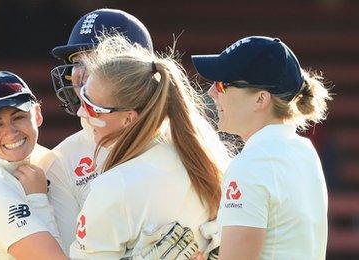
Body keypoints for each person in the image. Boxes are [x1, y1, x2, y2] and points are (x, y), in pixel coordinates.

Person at [66, 35, 229, 259]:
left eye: (92, 107)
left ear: (129, 118)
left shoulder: (113, 186)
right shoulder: (207, 151)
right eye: (82, 98)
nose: (80, 112)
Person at [191, 36, 331, 259]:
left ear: (260, 100)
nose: (212, 93)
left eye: (221, 85)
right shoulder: (304, 150)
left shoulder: (251, 165)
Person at [47, 8, 154, 252]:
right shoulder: (62, 160)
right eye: (76, 62)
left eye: (95, 59)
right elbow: (70, 251)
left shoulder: (181, 134)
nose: (81, 74)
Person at [0, 71, 65, 260]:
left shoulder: (48, 158)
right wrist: (37, 199)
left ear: (37, 114)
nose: (11, 132)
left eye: (18, 117)